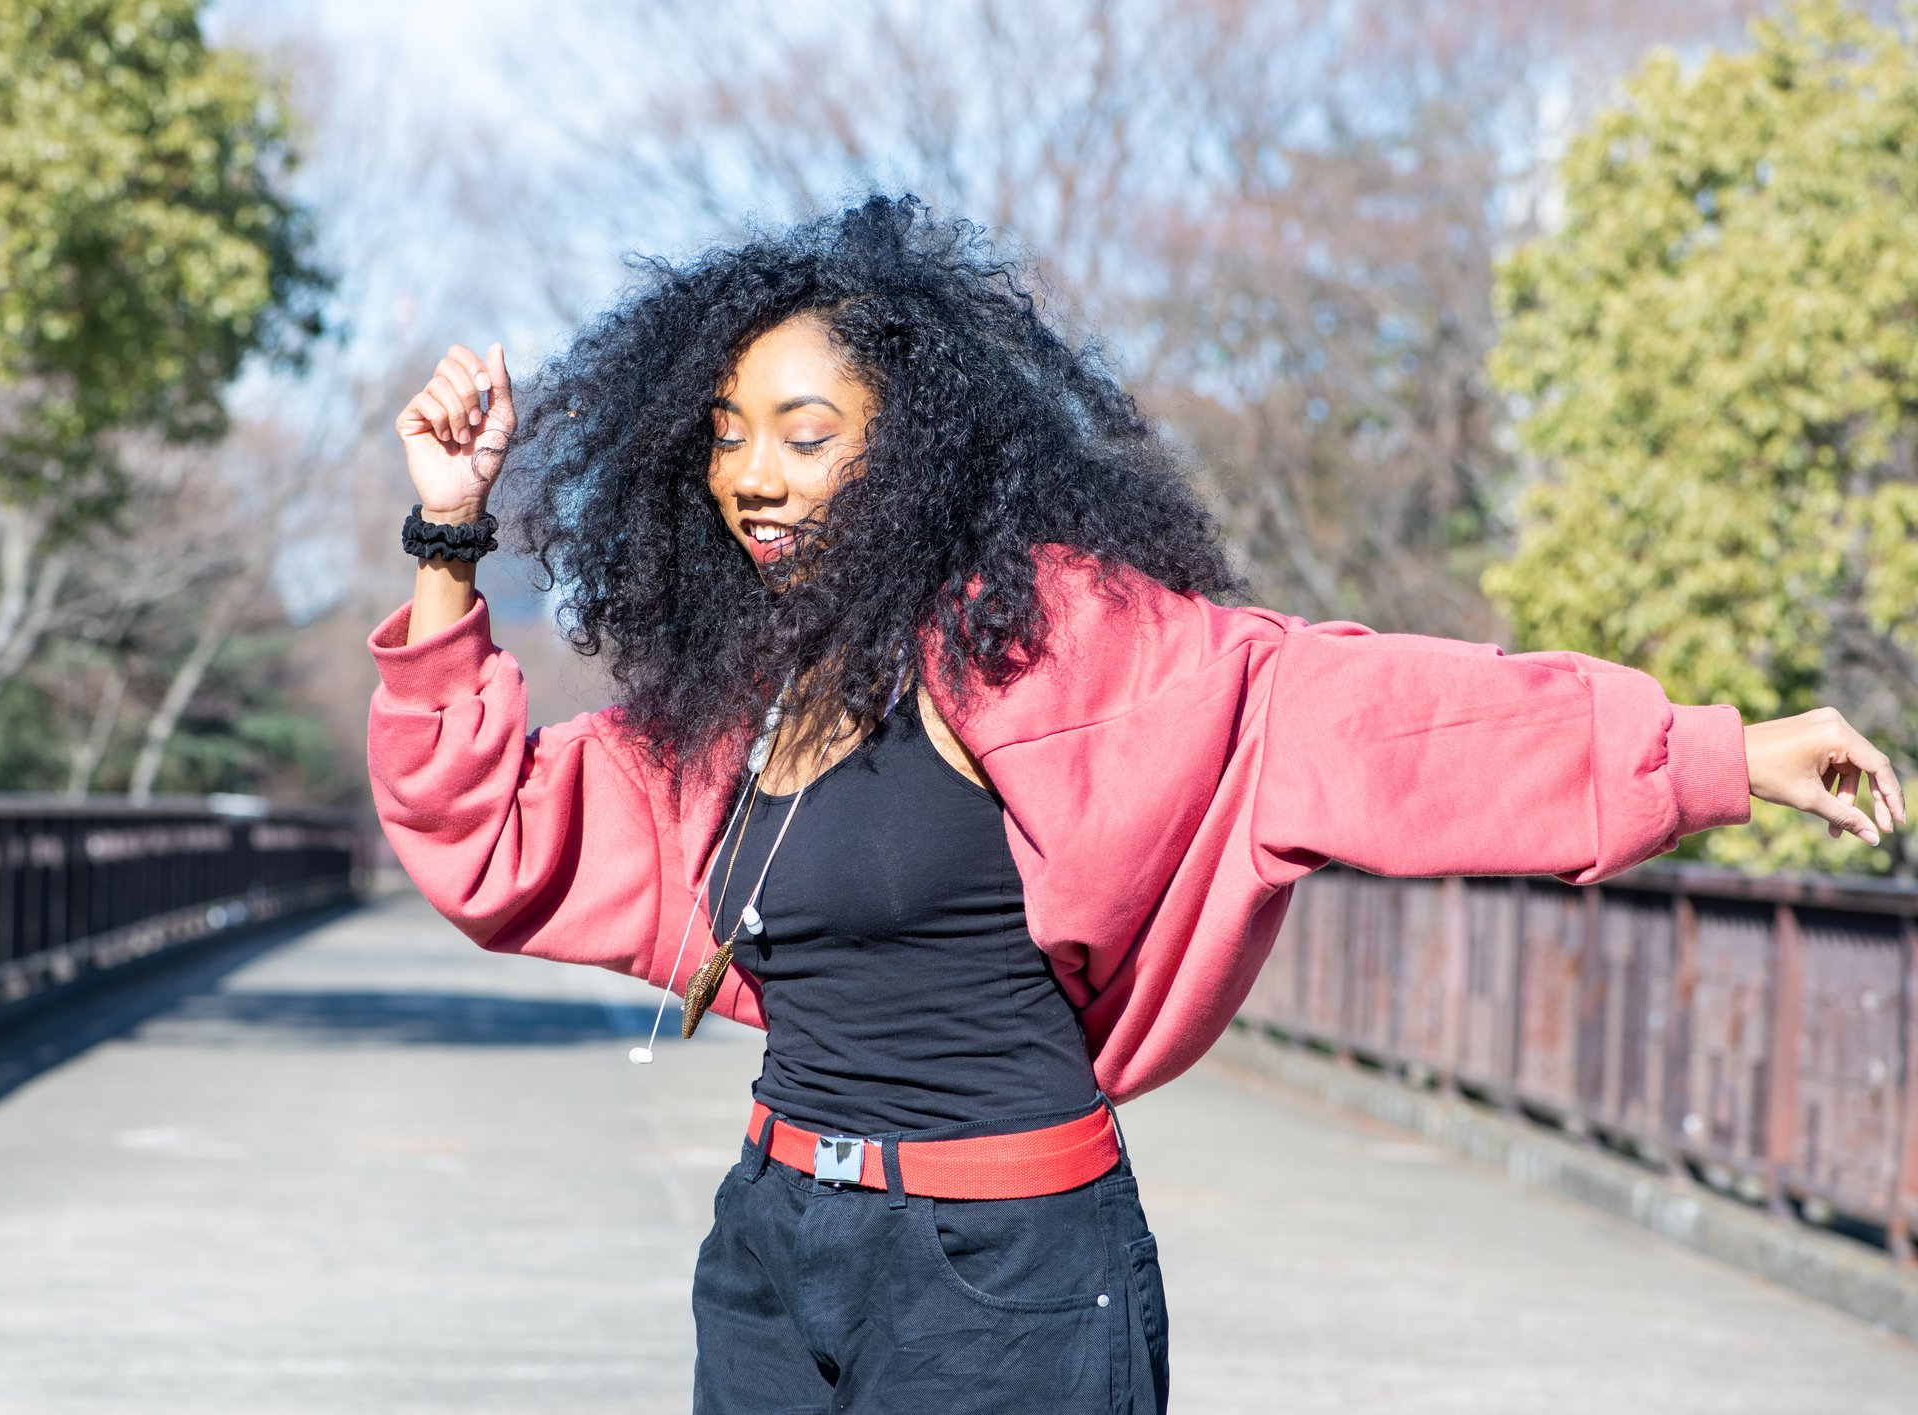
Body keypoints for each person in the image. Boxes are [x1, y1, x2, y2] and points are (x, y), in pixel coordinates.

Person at [365, 196, 1906, 1413]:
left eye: (806, 433)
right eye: (722, 434)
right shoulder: (742, 698)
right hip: (775, 1246)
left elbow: (1379, 723)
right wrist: (450, 536)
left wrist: (1709, 759)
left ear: (917, 441)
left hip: (1005, 1277)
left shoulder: (1057, 646)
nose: (751, 475)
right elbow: (485, 835)